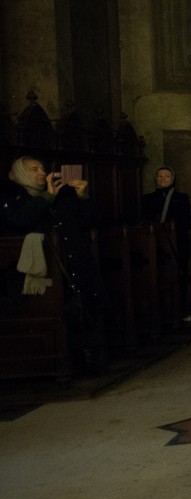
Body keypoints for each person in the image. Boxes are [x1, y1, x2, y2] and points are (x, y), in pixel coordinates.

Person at [3, 156, 106, 370]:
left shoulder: (60, 195)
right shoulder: (12, 195)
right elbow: (20, 220)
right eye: (34, 170)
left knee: (84, 300)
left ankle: (88, 356)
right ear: (21, 173)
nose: (42, 173)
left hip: (71, 259)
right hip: (36, 268)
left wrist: (83, 198)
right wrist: (47, 196)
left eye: (43, 168)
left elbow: (87, 223)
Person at [140, 165, 191, 321]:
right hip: (155, 242)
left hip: (177, 242)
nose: (163, 179)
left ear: (172, 179)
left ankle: (181, 309)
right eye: (160, 176)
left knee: (179, 275)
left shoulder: (181, 198)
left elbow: (185, 220)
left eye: (167, 176)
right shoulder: (148, 199)